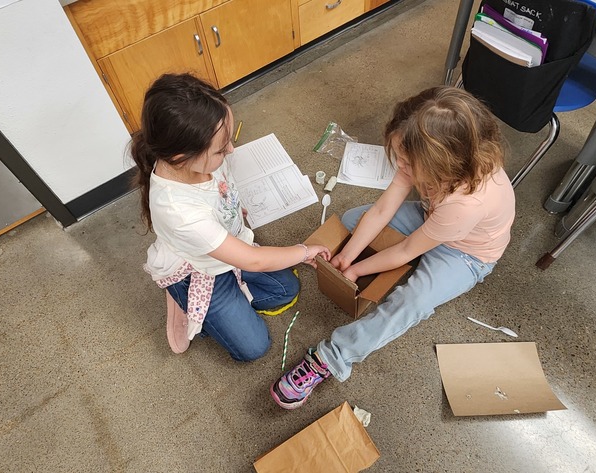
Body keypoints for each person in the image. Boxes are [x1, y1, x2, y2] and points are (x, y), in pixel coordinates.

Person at [270, 86, 516, 408]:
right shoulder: (435, 161)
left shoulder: (466, 204)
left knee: (413, 302)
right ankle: (367, 257)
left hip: (465, 255)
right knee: (354, 218)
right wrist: (347, 254)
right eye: (399, 155)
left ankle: (331, 358)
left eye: (407, 162)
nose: (400, 165)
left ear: (441, 163)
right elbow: (382, 210)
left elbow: (405, 252)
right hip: (432, 219)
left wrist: (356, 269)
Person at [133, 73, 331, 362]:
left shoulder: (198, 160)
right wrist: (303, 251)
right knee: (253, 347)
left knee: (287, 290)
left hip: (227, 247)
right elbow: (254, 260)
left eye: (229, 138)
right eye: (220, 149)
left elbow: (219, 192)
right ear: (180, 157)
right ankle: (184, 299)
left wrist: (232, 210)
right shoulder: (178, 210)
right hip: (199, 271)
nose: (231, 150)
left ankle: (226, 305)